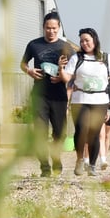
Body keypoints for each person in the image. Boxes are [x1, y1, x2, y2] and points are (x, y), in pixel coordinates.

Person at [60, 27, 110, 176]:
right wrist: (61, 70)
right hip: (80, 100)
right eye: (82, 41)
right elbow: (67, 78)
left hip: (100, 101)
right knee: (82, 129)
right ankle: (80, 159)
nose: (84, 43)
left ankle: (92, 165)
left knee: (94, 133)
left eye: (87, 40)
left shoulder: (105, 58)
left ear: (95, 40)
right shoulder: (77, 58)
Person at [20, 11, 74, 177]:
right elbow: (22, 63)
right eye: (48, 28)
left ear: (59, 28)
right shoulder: (34, 45)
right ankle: (44, 167)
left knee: (61, 132)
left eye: (54, 29)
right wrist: (28, 70)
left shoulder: (65, 47)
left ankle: (56, 157)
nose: (51, 31)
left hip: (58, 95)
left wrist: (63, 77)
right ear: (43, 28)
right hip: (39, 95)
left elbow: (74, 70)